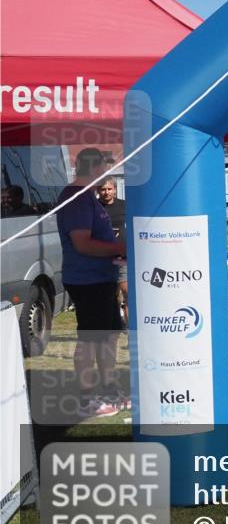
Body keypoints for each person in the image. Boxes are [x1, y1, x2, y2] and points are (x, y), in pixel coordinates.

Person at [56, 149, 127, 417]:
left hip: (102, 278)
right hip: (87, 280)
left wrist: (116, 252)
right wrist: (119, 247)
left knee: (108, 335)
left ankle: (109, 389)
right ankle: (87, 398)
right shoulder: (76, 197)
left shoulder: (88, 196)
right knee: (90, 338)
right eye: (106, 169)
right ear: (95, 168)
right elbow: (82, 243)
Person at [97, 178, 129, 327]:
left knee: (126, 291)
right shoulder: (94, 207)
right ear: (98, 191)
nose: (106, 192)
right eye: (103, 189)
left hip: (121, 256)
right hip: (103, 258)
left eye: (109, 189)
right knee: (112, 295)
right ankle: (116, 322)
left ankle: (130, 329)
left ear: (115, 190)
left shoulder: (124, 205)